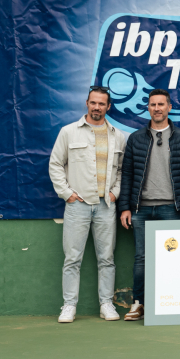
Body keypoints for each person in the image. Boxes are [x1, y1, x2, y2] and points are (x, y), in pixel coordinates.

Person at [117, 89, 180, 321]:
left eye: (161, 104)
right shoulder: (136, 138)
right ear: (148, 108)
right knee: (141, 258)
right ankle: (139, 304)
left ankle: (172, 301)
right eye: (153, 104)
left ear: (169, 107)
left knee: (172, 257)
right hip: (141, 210)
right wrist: (125, 207)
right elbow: (128, 174)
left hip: (171, 209)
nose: (157, 108)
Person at [49, 86, 125, 323]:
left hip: (106, 206)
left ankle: (106, 304)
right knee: (72, 258)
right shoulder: (69, 132)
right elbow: (55, 164)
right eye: (93, 102)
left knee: (107, 258)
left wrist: (114, 193)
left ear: (108, 106)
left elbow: (122, 170)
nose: (97, 107)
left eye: (102, 104)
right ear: (87, 103)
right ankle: (69, 306)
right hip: (77, 206)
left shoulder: (118, 135)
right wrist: (67, 194)